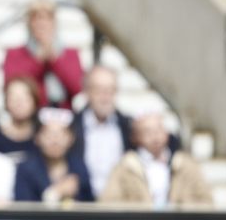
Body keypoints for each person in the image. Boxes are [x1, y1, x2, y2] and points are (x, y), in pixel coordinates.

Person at [100, 112, 211, 207]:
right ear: (136, 137)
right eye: (148, 132)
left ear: (167, 133)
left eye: (159, 130)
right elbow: (109, 203)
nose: (155, 137)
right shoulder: (125, 167)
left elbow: (205, 201)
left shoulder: (186, 165)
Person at [3, 0, 83, 109]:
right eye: (36, 18)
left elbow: (77, 87)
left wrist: (54, 61)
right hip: (33, 114)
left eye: (47, 18)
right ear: (29, 23)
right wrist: (38, 61)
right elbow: (13, 87)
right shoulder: (14, 54)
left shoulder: (70, 54)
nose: (42, 24)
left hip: (64, 113)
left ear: (54, 22)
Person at [67, 66, 132, 200]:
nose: (105, 97)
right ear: (86, 92)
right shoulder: (71, 126)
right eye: (99, 90)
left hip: (120, 207)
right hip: (82, 207)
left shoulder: (128, 126)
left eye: (110, 90)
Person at [14, 108, 92, 203]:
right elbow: (22, 209)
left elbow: (90, 204)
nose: (55, 141)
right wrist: (55, 193)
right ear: (37, 138)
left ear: (71, 138)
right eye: (49, 135)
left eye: (61, 135)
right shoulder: (25, 169)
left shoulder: (79, 167)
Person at [0, 76, 41, 160]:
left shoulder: (44, 138)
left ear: (35, 102)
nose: (19, 103)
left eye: (25, 98)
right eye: (14, 98)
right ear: (6, 102)